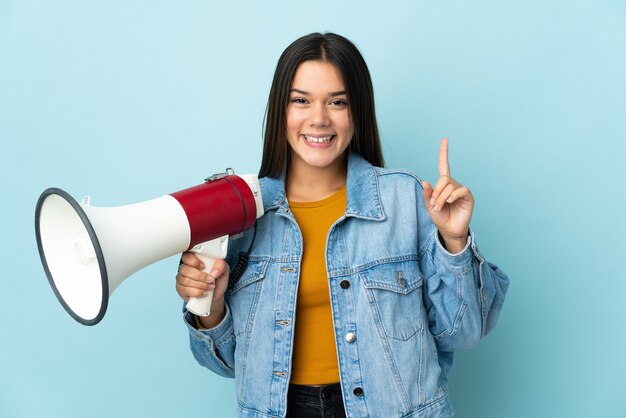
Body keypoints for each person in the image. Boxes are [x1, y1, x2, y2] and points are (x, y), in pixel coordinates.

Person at [175, 32, 509, 418]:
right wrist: (209, 309)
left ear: (358, 112)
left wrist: (454, 242)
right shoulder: (240, 214)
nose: (318, 118)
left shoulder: (407, 199)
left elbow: (462, 333)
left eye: (337, 102)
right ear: (280, 110)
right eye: (300, 100)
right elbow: (226, 364)